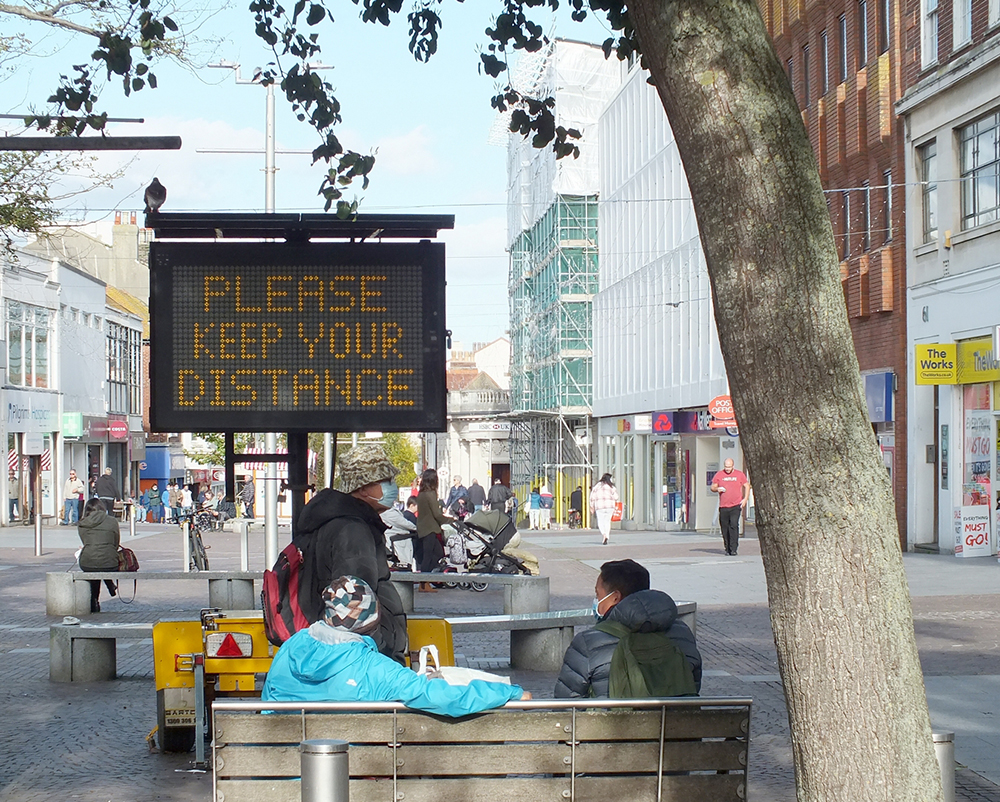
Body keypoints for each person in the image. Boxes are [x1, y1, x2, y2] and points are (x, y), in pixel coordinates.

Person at [262, 576, 530, 712]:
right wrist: (508, 693)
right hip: (350, 777)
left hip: (280, 773)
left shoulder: (290, 648)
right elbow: (438, 696)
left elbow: (268, 705)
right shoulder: (374, 669)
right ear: (370, 620)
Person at [294, 443, 408, 663]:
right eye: (385, 481)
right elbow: (356, 604)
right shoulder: (353, 530)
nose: (392, 487)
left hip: (340, 652)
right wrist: (379, 658)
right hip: (364, 658)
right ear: (363, 488)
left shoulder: (335, 520)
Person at [554, 559, 701, 698]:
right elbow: (692, 687)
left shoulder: (588, 642)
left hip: (609, 724)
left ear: (615, 598)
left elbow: (567, 703)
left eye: (598, 594)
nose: (596, 601)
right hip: (679, 723)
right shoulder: (682, 633)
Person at [77, 497, 120, 613]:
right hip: (110, 561)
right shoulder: (112, 521)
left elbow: (85, 541)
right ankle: (109, 584)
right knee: (103, 560)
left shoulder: (82, 523)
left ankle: (94, 602)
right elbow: (116, 542)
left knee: (94, 563)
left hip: (88, 562)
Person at [415, 468, 453, 591]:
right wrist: (450, 520)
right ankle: (424, 582)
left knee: (436, 553)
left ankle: (425, 580)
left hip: (424, 527)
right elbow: (436, 514)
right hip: (429, 528)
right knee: (430, 555)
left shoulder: (421, 493)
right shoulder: (430, 494)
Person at [710, 458, 750, 556]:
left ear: (733, 466)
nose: (727, 469)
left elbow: (747, 486)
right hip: (723, 506)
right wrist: (717, 488)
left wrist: (745, 499)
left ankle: (734, 548)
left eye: (729, 467)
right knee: (725, 527)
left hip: (735, 505)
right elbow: (712, 487)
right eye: (726, 467)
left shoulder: (739, 474)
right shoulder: (719, 475)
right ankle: (727, 548)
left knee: (733, 525)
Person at [381, 500, 417, 569]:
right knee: (403, 568)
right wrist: (416, 528)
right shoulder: (388, 512)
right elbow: (406, 524)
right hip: (398, 544)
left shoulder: (386, 510)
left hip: (397, 543)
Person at [589, 474, 619, 545]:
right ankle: (607, 535)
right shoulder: (611, 487)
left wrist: (591, 506)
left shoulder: (597, 486)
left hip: (599, 506)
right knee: (607, 522)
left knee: (601, 521)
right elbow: (616, 497)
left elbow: (592, 497)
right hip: (609, 506)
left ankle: (604, 534)